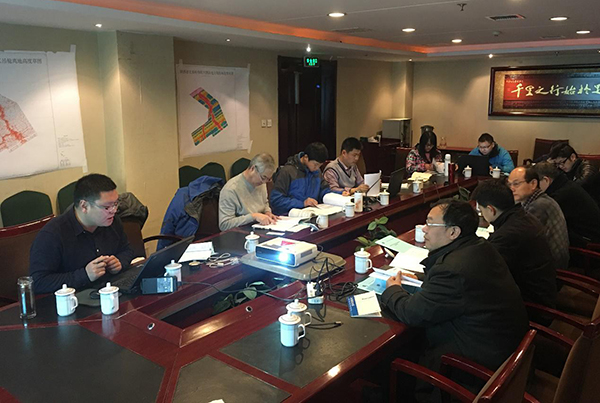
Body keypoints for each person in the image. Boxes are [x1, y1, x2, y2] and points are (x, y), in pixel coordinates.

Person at [382, 199, 528, 398]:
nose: (424, 229)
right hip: (498, 351)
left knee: (391, 355)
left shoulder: (452, 270)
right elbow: (459, 288)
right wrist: (424, 280)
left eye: (430, 223)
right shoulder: (479, 247)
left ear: (453, 232)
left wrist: (393, 290)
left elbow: (412, 313)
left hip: (468, 370)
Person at [29, 174, 134, 293]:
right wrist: (84, 275)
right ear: (84, 206)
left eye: (115, 204)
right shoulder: (52, 234)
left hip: (110, 290)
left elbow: (127, 249)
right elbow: (38, 282)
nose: (113, 211)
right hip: (73, 298)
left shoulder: (112, 222)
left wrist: (120, 262)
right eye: (106, 207)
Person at [472, 180, 557, 308]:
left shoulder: (508, 234)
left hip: (531, 304)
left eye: (481, 210)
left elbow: (485, 272)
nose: (481, 214)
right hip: (539, 289)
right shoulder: (522, 216)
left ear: (491, 209)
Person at [508, 166, 570, 270]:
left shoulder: (539, 205)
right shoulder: (536, 200)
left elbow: (520, 237)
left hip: (550, 267)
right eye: (509, 184)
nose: (512, 189)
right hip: (544, 259)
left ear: (533, 183)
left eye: (516, 184)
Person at [535, 162, 600, 247]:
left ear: (546, 180)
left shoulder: (560, 195)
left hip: (589, 241)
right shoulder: (565, 185)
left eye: (535, 183)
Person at [218, 153, 278, 231]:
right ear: (253, 169)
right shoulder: (230, 189)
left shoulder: (261, 182)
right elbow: (224, 225)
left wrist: (267, 212)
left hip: (259, 228)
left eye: (268, 179)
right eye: (263, 177)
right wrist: (253, 216)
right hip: (241, 232)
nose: (264, 182)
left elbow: (264, 203)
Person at [270, 142, 333, 216]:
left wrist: (339, 194)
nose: (317, 168)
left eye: (320, 165)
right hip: (289, 215)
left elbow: (324, 190)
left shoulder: (316, 172)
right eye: (315, 164)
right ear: (306, 157)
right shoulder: (287, 172)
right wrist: (302, 203)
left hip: (311, 213)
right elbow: (276, 200)